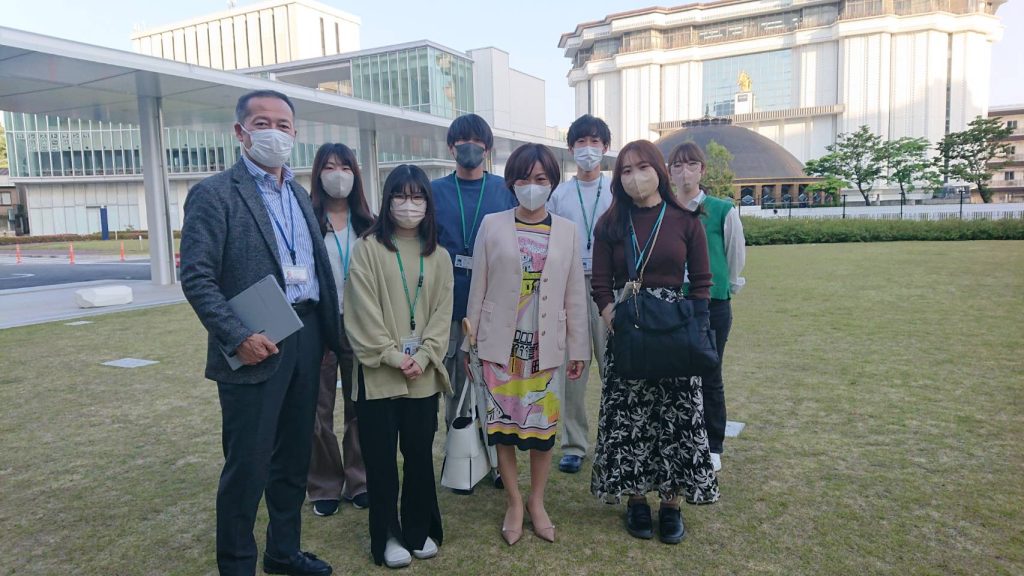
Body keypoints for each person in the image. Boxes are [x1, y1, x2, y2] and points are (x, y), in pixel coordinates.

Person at [180, 89, 338, 576]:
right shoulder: (214, 194)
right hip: (255, 342)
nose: (274, 133)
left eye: (283, 125)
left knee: (294, 456)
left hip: (306, 333)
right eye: (262, 123)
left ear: (295, 133)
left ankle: (283, 553)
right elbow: (197, 276)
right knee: (247, 464)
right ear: (240, 131)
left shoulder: (298, 194)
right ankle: (237, 565)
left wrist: (328, 336)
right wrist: (237, 336)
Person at [589, 140, 719, 546]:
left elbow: (702, 282)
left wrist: (696, 327)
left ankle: (671, 504)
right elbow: (600, 283)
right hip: (630, 328)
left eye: (643, 168)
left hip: (675, 330)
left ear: (659, 171)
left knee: (676, 418)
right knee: (631, 418)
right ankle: (636, 500)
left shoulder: (686, 220)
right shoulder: (610, 224)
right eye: (626, 171)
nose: (635, 178)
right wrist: (612, 317)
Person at [464, 143, 590, 545]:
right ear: (511, 182)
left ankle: (537, 501)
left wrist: (579, 349)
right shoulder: (492, 225)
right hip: (498, 346)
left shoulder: (567, 230)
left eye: (540, 179)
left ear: (552, 182)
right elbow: (478, 286)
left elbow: (574, 293)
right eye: (523, 178)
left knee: (541, 427)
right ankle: (514, 502)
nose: (532, 186)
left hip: (546, 347)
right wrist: (469, 344)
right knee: (502, 427)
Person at [344, 165, 453, 568]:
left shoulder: (438, 255)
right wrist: (392, 355)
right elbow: (360, 311)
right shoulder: (367, 249)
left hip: (422, 375)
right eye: (401, 196)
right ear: (387, 200)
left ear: (428, 203)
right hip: (379, 375)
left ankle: (418, 529)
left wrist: (423, 356)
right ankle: (388, 535)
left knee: (420, 456)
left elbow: (442, 315)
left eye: (417, 196)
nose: (409, 205)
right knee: (381, 461)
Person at [431, 113, 515, 490]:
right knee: (455, 387)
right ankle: (460, 458)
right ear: (451, 148)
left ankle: (497, 463)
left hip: (495, 307)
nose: (470, 147)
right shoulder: (435, 191)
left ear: (488, 148)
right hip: (450, 305)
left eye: (477, 141)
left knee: (494, 387)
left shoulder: (503, 190)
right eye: (462, 141)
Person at [667, 142, 746, 473]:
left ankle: (713, 444)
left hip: (712, 304)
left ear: (702, 170)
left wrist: (723, 288)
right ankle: (679, 438)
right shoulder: (664, 210)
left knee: (710, 374)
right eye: (677, 165)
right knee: (673, 376)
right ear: (669, 172)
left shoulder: (722, 210)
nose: (684, 172)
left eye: (691, 165)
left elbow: (734, 257)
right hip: (672, 304)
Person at [306, 143, 376, 516]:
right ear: (318, 174)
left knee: (360, 405)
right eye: (330, 167)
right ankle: (323, 484)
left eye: (345, 167)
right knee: (317, 411)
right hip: (318, 326)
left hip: (360, 326)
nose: (338, 175)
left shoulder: (368, 223)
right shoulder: (307, 221)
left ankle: (359, 479)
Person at [546, 114, 613, 475]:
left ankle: (614, 440)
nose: (588, 149)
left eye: (595, 142)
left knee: (614, 368)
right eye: (581, 143)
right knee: (573, 370)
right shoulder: (560, 194)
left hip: (608, 287)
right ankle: (573, 444)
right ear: (571, 149)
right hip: (569, 287)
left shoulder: (616, 189)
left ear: (605, 147)